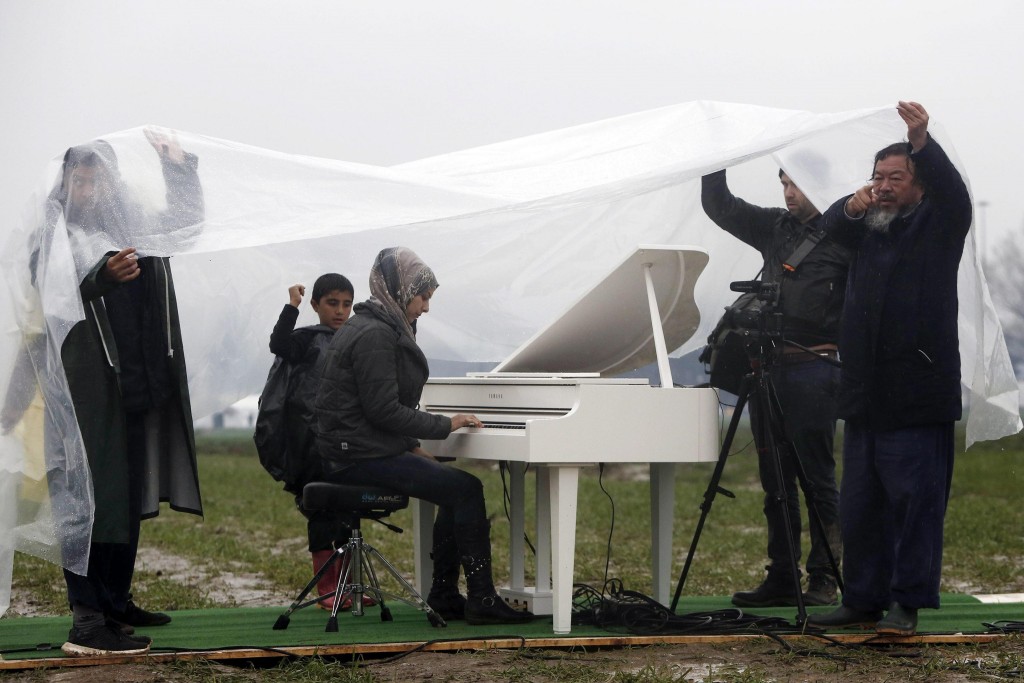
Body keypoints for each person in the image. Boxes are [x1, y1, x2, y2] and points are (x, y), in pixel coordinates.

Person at [808, 102, 972, 636]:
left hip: (918, 390)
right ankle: (862, 599)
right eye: (876, 176)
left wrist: (921, 140)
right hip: (864, 393)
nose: (882, 186)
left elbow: (955, 192)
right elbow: (832, 227)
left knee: (913, 505)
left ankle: (906, 604)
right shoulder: (870, 228)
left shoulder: (938, 223)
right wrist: (850, 205)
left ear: (918, 185)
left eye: (895, 177)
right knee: (862, 506)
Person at [314, 246, 532, 625]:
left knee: (454, 487)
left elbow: (370, 410)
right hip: (355, 459)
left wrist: (413, 447)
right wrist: (446, 424)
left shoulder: (373, 324)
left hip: (359, 449)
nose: (426, 307)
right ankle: (479, 597)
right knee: (466, 489)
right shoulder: (376, 334)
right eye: (423, 296)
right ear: (400, 289)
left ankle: (446, 594)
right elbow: (382, 410)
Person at [52, 131, 205, 656]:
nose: (90, 185)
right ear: (67, 180)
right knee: (88, 501)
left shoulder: (131, 224)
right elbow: (41, 287)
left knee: (125, 497)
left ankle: (114, 602)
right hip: (88, 391)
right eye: (81, 175)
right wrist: (99, 277)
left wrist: (180, 170)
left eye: (99, 175)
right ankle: (87, 618)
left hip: (137, 384)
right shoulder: (54, 229)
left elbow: (184, 228)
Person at [701, 165, 851, 607]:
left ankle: (825, 578)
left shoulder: (847, 234)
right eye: (783, 183)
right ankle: (782, 576)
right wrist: (715, 159)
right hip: (767, 369)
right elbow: (720, 206)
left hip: (815, 368)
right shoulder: (774, 227)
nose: (788, 193)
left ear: (820, 182)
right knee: (775, 480)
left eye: (796, 184)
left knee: (817, 479)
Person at [257, 274, 369, 610]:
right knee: (321, 512)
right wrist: (290, 307)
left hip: (348, 443)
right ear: (316, 305)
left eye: (346, 304)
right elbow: (279, 344)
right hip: (309, 444)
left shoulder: (356, 339)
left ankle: (349, 586)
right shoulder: (305, 340)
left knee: (349, 512)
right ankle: (326, 588)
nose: (340, 311)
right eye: (332, 303)